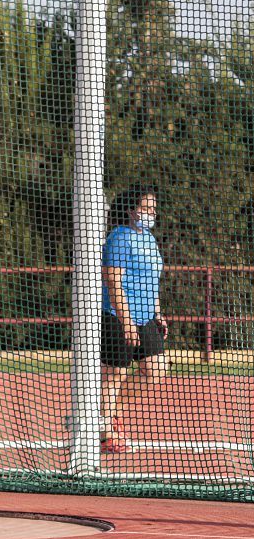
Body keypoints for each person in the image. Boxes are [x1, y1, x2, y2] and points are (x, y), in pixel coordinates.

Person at [100, 185, 167, 453]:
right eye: (146, 208)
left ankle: (103, 411)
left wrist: (157, 311)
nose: (151, 213)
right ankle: (105, 434)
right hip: (118, 314)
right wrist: (126, 322)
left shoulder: (149, 239)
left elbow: (152, 280)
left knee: (156, 370)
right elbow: (113, 282)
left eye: (153, 208)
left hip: (146, 315)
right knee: (116, 373)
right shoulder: (119, 237)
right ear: (131, 210)